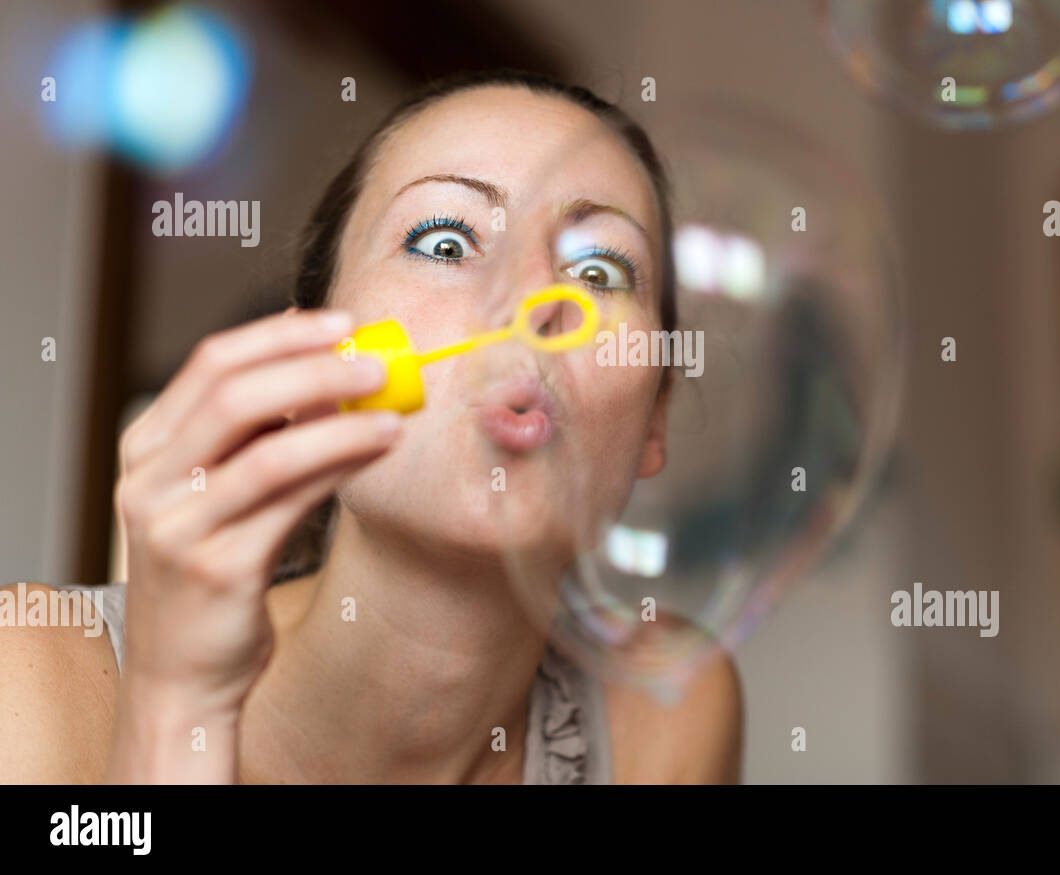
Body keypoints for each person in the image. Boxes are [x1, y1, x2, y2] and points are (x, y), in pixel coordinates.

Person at [0, 69, 743, 784]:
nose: (531, 302)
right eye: (445, 242)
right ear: (305, 364)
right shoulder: (31, 683)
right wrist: (177, 707)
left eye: (599, 272)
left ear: (654, 419)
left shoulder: (667, 714)